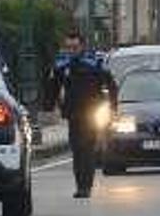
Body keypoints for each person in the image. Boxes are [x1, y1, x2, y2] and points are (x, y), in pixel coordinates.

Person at [47, 31, 116, 199]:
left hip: (92, 113)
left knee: (87, 150)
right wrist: (49, 106)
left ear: (82, 46)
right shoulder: (62, 66)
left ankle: (86, 186)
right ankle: (80, 185)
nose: (71, 50)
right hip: (73, 114)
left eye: (75, 47)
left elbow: (111, 84)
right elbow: (52, 87)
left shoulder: (94, 64)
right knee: (77, 150)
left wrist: (112, 107)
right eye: (69, 47)